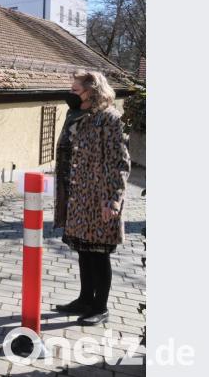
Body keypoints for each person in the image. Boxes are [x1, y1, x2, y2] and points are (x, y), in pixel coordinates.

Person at [52, 70, 131, 326]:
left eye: (76, 90)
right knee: (84, 251)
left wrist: (113, 199)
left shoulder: (109, 119)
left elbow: (119, 161)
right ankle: (85, 299)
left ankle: (101, 306)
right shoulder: (77, 116)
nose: (71, 94)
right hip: (78, 196)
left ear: (92, 91)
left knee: (99, 254)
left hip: (99, 197)